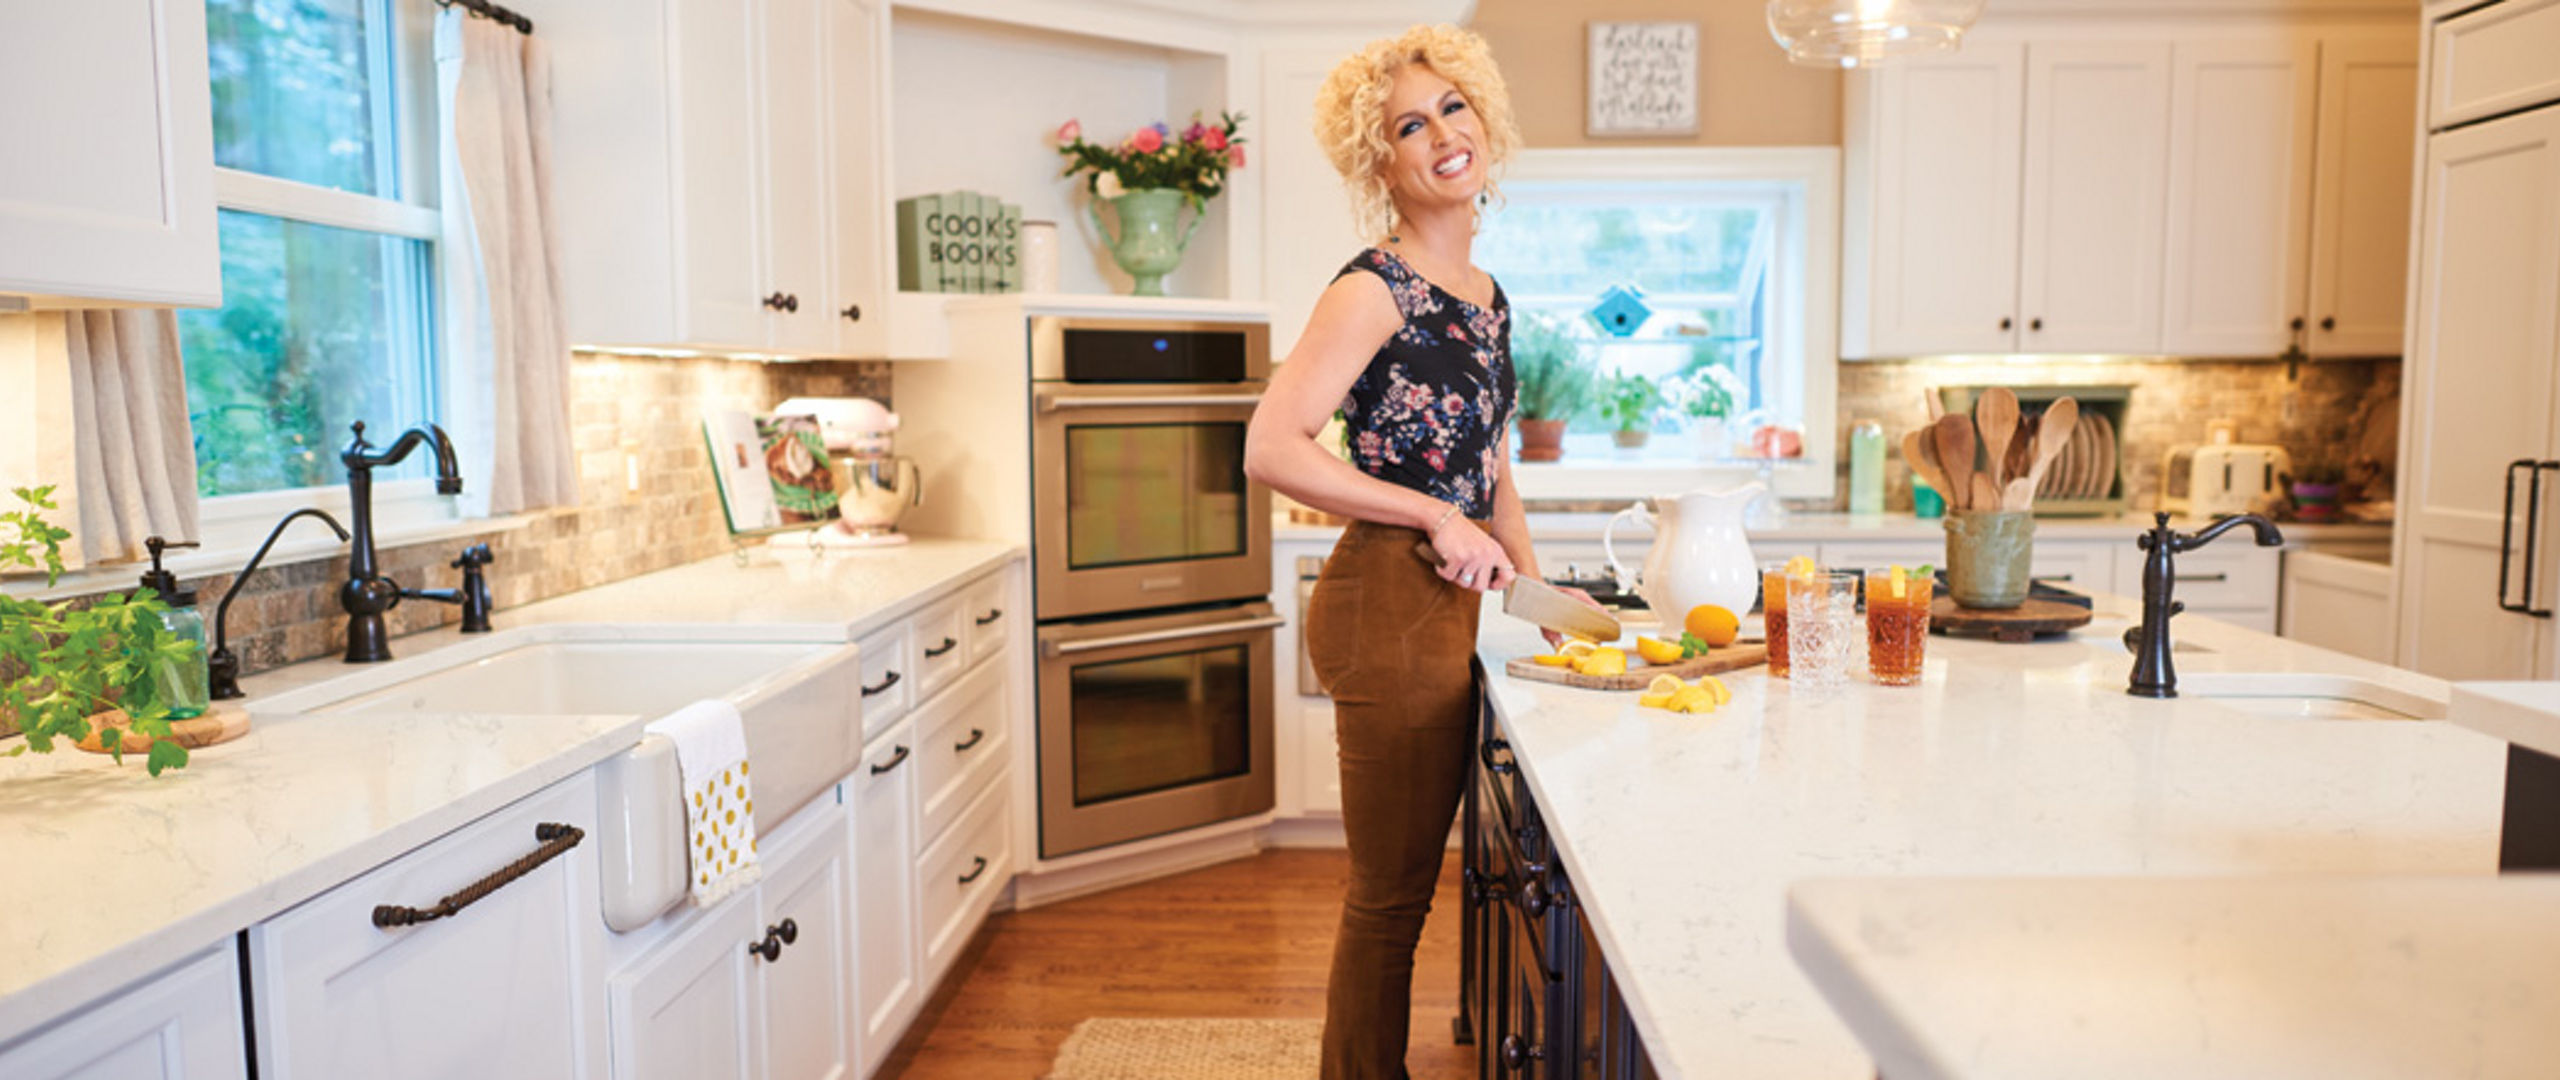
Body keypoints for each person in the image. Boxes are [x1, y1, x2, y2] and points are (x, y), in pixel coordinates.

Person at [1243, 23, 1581, 1079]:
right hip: (1386, 606)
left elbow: (1492, 471)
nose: (1441, 133)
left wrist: (1530, 590)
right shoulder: (1372, 289)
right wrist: (1430, 516)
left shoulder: (1485, 296)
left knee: (1417, 888)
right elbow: (1268, 446)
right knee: (1387, 901)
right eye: (1407, 124)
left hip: (1451, 606)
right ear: (1377, 160)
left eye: (1453, 108)